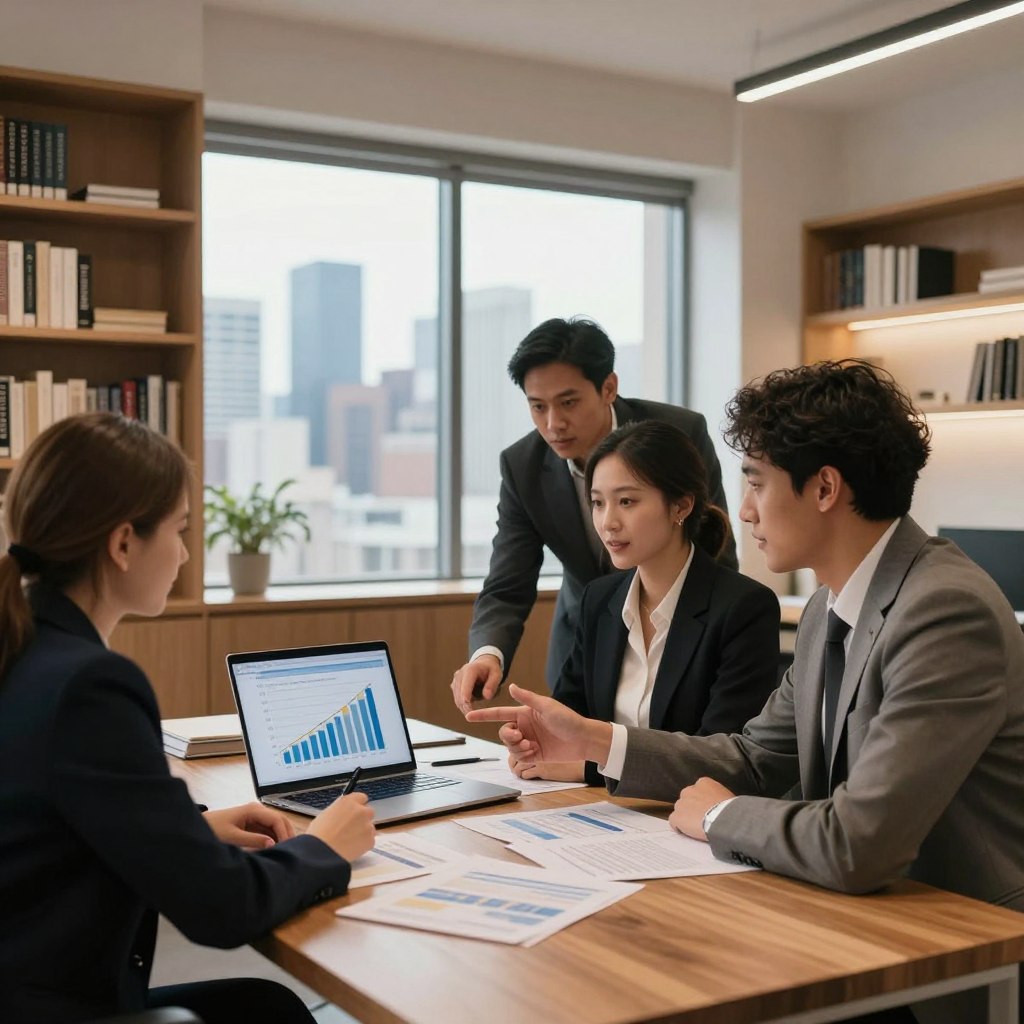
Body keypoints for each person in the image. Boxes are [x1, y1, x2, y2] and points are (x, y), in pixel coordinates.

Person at [469, 361, 1024, 1024]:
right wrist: (592, 740)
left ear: (824, 488)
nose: (745, 509)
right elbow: (754, 758)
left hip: (957, 949)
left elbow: (859, 842)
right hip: (858, 922)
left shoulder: (943, 611)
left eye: (756, 482)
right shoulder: (829, 608)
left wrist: (718, 818)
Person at [0, 413, 376, 1024]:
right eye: (178, 531)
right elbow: (222, 908)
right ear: (123, 544)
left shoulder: (23, 648)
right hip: (58, 1007)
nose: (182, 553)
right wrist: (323, 848)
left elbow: (53, 819)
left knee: (266, 1005)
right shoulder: (90, 685)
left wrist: (193, 827)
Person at [451, 316, 736, 713]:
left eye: (568, 402)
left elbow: (715, 548)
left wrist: (720, 644)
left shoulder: (676, 433)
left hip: (681, 638)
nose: (553, 424)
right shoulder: (522, 465)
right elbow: (508, 580)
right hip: (585, 649)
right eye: (537, 407)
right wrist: (487, 654)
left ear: (608, 388)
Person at [517, 420, 779, 785]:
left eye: (627, 501)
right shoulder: (599, 598)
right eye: (597, 502)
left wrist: (589, 769)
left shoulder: (744, 607)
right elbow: (569, 721)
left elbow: (722, 756)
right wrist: (534, 739)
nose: (608, 522)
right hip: (599, 815)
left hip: (687, 818)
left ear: (681, 506)